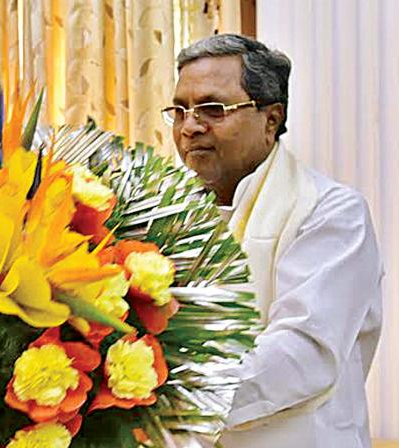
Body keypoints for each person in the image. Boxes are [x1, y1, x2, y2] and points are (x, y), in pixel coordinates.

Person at [162, 33, 383, 448]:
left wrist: (158, 391)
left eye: (213, 108)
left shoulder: (331, 212)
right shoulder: (166, 217)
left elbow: (302, 354)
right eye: (179, 110)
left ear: (271, 119)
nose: (190, 126)